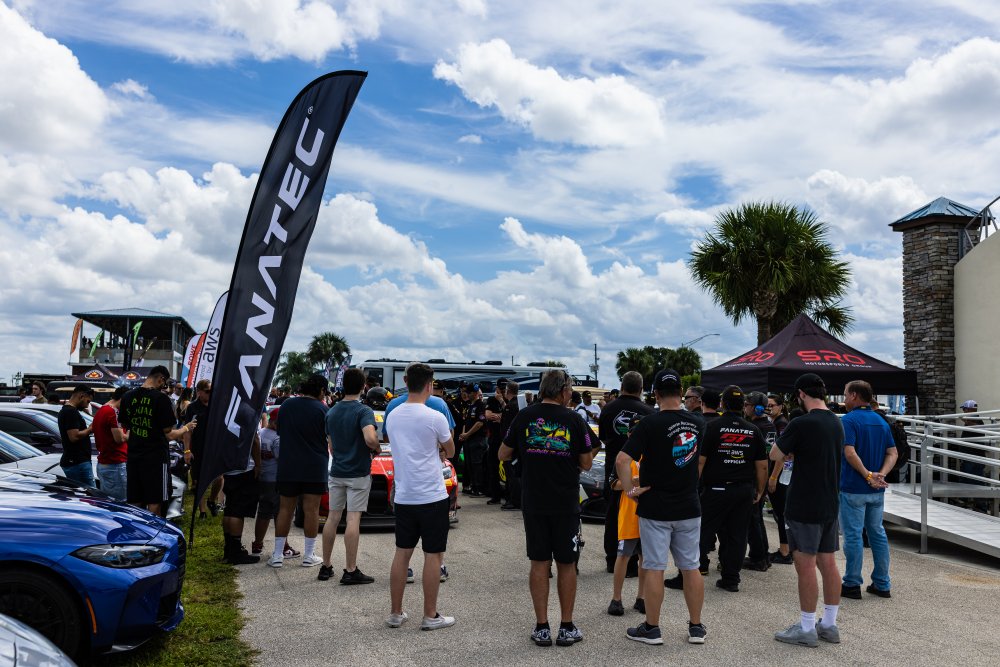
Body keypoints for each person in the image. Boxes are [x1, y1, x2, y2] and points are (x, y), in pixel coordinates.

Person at [500, 369, 594, 647]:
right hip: (565, 502)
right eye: (570, 389)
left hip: (534, 501)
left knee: (539, 562)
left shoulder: (524, 416)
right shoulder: (574, 419)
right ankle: (566, 626)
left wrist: (528, 452)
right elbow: (587, 462)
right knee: (567, 562)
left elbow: (503, 453)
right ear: (563, 391)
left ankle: (542, 627)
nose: (571, 394)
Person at [616, 369, 706, 646]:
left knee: (655, 567)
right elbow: (700, 461)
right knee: (691, 566)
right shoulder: (699, 423)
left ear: (655, 394)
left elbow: (621, 460)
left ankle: (652, 628)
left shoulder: (649, 424)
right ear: (681, 393)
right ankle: (696, 627)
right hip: (688, 505)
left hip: (655, 506)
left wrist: (630, 492)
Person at [769, 373, 844, 648]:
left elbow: (775, 454)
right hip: (829, 501)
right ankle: (830, 624)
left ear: (801, 394)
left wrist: (791, 450)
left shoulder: (801, 423)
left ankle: (807, 627)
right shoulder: (836, 421)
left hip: (803, 502)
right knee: (829, 563)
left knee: (806, 564)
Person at [671, 386, 766, 593]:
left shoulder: (712, 427)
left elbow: (700, 461)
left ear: (723, 404)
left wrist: (690, 488)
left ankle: (687, 576)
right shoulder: (753, 430)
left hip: (715, 489)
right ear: (743, 405)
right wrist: (759, 490)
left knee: (701, 533)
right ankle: (731, 579)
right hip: (743, 491)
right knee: (737, 536)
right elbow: (762, 466)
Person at [383, 363, 456, 631]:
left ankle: (395, 613)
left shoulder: (393, 415)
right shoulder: (435, 416)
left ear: (405, 381)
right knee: (433, 555)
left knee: (402, 553)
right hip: (431, 494)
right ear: (430, 385)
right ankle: (430, 614)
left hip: (404, 494)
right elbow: (450, 449)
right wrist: (439, 448)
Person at [319, 367, 380, 585]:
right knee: (353, 518)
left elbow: (331, 446)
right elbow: (370, 438)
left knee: (333, 517)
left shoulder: (332, 411)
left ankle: (326, 566)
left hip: (337, 471)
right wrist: (377, 448)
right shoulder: (363, 411)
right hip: (358, 472)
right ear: (364, 387)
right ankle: (350, 569)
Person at [839, 380, 896, 600]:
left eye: (845, 395)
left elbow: (849, 452)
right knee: (877, 533)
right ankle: (882, 583)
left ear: (854, 395)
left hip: (853, 487)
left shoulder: (849, 420)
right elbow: (892, 452)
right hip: (876, 491)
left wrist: (868, 475)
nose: (844, 399)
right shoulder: (881, 421)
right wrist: (880, 474)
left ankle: (852, 583)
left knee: (853, 535)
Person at [269, 374, 330, 569]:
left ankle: (278, 555)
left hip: (289, 465)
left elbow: (279, 431)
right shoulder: (323, 410)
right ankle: (309, 555)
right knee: (312, 510)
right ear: (321, 390)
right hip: (315, 465)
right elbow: (328, 437)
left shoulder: (286, 405)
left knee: (285, 509)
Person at [598, 371, 655, 572]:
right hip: (641, 472)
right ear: (641, 389)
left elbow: (603, 438)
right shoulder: (650, 412)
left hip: (614, 470)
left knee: (613, 516)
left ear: (622, 386)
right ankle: (633, 563)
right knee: (638, 517)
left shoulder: (608, 409)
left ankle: (613, 560)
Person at [121, 366, 194, 516]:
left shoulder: (127, 396)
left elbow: (126, 425)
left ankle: (137, 530)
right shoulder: (161, 399)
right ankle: (154, 531)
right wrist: (186, 428)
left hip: (134, 457)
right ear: (161, 379)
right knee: (156, 501)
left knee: (135, 501)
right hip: (155, 459)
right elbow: (169, 434)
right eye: (164, 383)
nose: (164, 387)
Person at [252, 409, 300, 560]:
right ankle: (283, 548)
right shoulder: (278, 438)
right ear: (274, 423)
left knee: (263, 513)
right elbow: (283, 460)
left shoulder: (261, 433)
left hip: (263, 479)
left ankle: (257, 545)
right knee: (282, 514)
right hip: (276, 480)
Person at [607, 456, 645, 616]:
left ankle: (641, 598)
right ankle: (616, 599)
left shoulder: (654, 453)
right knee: (623, 556)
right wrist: (631, 482)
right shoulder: (624, 457)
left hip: (650, 515)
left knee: (646, 558)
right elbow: (613, 483)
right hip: (629, 514)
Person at [743, 391, 776, 572]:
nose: (744, 408)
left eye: (747, 405)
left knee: (752, 520)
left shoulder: (755, 428)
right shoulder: (769, 426)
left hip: (756, 478)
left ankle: (758, 558)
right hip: (763, 475)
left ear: (757, 408)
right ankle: (763, 555)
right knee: (757, 518)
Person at [221, 433, 262, 565]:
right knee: (238, 512)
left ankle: (229, 549)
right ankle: (235, 552)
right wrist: (258, 464)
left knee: (229, 509)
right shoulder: (248, 418)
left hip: (228, 466)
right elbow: (254, 440)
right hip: (244, 467)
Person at [184, 380, 223, 518]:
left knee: (219, 477)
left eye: (212, 391)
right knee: (199, 481)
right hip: (198, 447)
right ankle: (202, 511)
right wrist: (187, 450)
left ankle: (211, 500)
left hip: (215, 447)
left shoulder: (217, 405)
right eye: (208, 391)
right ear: (199, 392)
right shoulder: (192, 408)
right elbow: (187, 431)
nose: (210, 394)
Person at [93, 386, 128, 500]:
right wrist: (131, 432)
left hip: (105, 463)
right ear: (123, 399)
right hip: (115, 465)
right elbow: (120, 439)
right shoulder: (113, 412)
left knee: (109, 502)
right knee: (120, 503)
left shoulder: (102, 409)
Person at [58, 386, 96, 486]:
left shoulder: (67, 410)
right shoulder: (70, 412)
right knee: (89, 493)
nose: (87, 405)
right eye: (88, 401)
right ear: (81, 396)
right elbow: (74, 437)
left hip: (76, 461)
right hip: (77, 462)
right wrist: (90, 429)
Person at [458, 384, 488, 497]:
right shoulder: (470, 406)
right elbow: (466, 422)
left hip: (477, 439)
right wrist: (463, 434)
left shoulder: (480, 405)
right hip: (468, 440)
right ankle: (473, 486)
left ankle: (479, 489)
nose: (467, 394)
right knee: (469, 464)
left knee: (477, 464)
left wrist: (467, 434)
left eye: (469, 392)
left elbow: (479, 423)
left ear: (474, 393)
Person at [498, 381, 521, 510]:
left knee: (511, 474)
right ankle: (513, 499)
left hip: (510, 446)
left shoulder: (510, 407)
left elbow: (507, 428)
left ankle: (514, 500)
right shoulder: (519, 404)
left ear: (508, 390)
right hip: (517, 445)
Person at [484, 382, 507, 504]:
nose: (502, 392)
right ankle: (495, 496)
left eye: (504, 389)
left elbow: (510, 415)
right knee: (493, 468)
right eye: (501, 389)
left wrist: (502, 404)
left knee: (508, 469)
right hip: (494, 439)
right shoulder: (492, 400)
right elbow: (488, 415)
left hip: (506, 440)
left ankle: (509, 496)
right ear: (497, 388)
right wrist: (501, 416)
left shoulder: (508, 400)